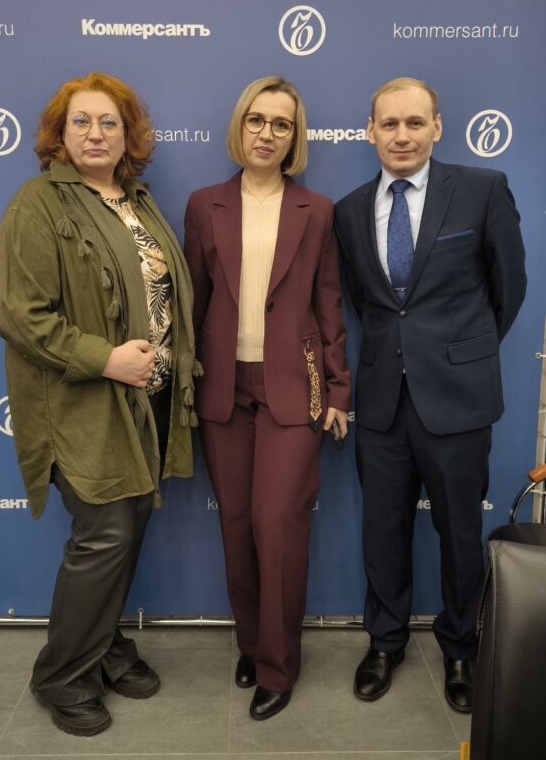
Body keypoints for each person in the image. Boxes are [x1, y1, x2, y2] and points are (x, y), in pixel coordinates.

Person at [0, 72, 199, 736]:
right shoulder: (38, 203)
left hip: (146, 401)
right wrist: (105, 358)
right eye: (80, 121)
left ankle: (103, 646)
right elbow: (19, 313)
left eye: (109, 122)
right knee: (104, 535)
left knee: (126, 531)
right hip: (83, 403)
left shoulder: (136, 201)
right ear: (59, 133)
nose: (95, 134)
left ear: (128, 135)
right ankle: (61, 675)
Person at [334, 77, 526, 712]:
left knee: (460, 533)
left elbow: (509, 287)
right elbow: (367, 303)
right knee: (382, 530)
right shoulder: (349, 210)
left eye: (415, 123)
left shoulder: (482, 189)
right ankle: (384, 641)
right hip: (382, 402)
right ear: (370, 131)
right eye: (389, 124)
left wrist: (459, 353)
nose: (402, 135)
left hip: (458, 398)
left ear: (437, 128)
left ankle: (461, 649)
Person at [184, 75, 350, 720]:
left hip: (295, 386)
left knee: (276, 526)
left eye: (281, 124)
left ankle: (279, 668)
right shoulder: (204, 204)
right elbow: (194, 300)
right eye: (257, 120)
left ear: (294, 136)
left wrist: (337, 389)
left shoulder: (317, 210)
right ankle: (252, 646)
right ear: (240, 126)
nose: (267, 133)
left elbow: (328, 304)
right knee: (235, 525)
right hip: (223, 389)